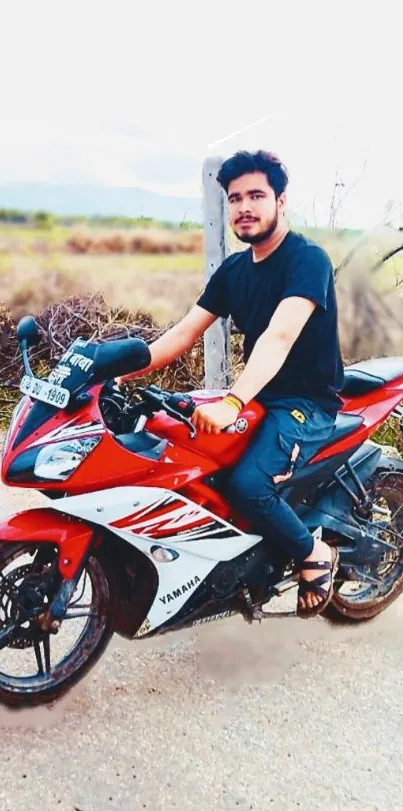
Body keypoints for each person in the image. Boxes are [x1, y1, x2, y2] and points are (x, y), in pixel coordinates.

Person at [118, 150, 345, 618]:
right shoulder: (234, 272)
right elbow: (182, 333)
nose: (244, 206)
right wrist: (115, 373)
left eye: (256, 195)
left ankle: (311, 553)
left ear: (281, 201)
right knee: (181, 451)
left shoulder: (307, 261)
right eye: (235, 197)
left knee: (246, 484)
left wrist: (234, 399)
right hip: (257, 396)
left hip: (303, 402)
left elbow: (279, 337)